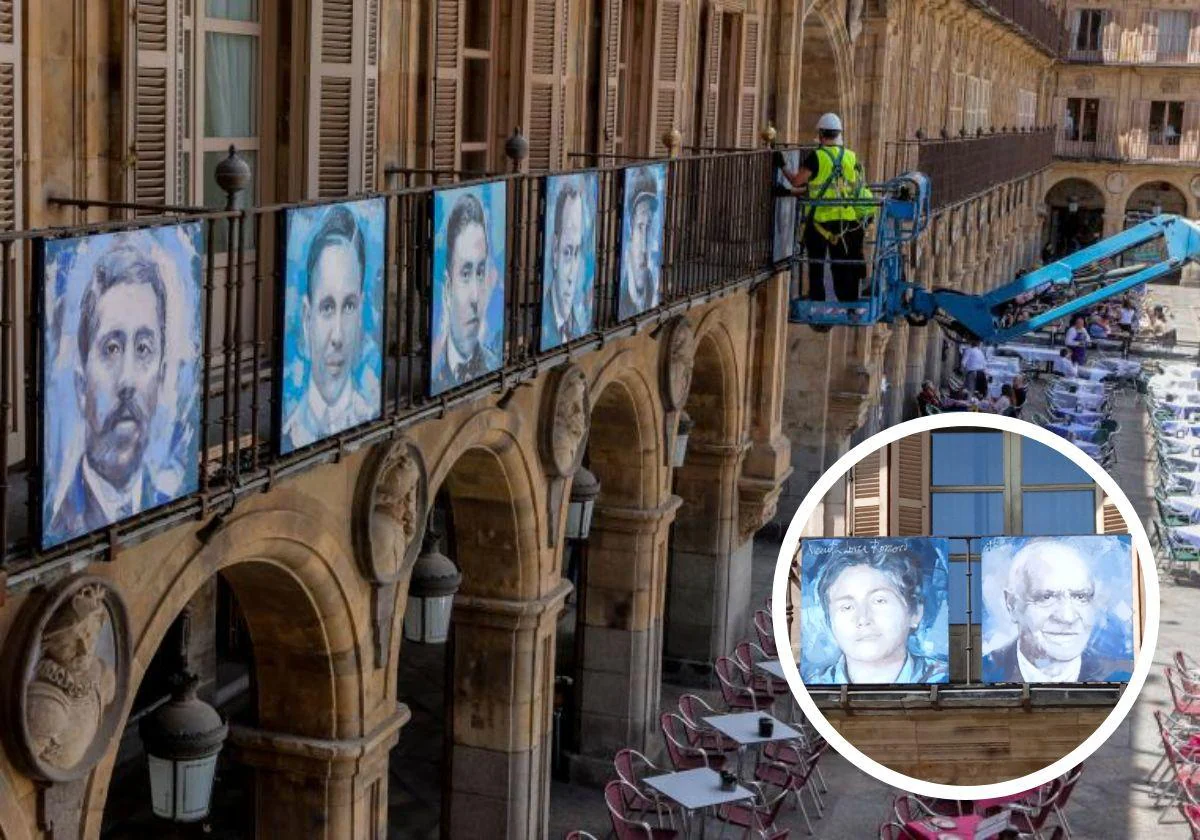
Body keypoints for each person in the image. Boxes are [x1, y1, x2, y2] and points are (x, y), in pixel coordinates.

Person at [49, 246, 174, 542]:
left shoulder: (163, 497)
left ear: (161, 376)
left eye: (143, 348)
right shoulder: (61, 526)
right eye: (112, 349)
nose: (127, 380)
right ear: (81, 385)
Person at [283, 206, 375, 451]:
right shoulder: (289, 430)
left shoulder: (368, 410)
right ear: (306, 318)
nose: (338, 336)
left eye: (348, 306)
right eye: (326, 307)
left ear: (360, 312)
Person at [982, 539, 1131, 684]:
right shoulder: (988, 669)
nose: (1067, 617)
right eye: (1046, 597)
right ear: (1012, 605)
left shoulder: (1122, 675)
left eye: (1080, 596)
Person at [806, 546, 947, 684]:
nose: (863, 619)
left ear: (915, 612)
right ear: (829, 620)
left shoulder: (940, 678)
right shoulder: (812, 685)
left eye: (879, 600)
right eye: (847, 607)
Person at [779, 113, 873, 304]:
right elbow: (849, 187)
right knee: (842, 264)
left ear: (821, 134)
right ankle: (848, 299)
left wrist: (782, 166)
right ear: (839, 134)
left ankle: (817, 300)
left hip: (819, 222)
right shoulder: (850, 157)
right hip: (845, 220)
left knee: (816, 264)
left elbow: (797, 181)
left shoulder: (817, 157)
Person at [431, 193, 502, 394]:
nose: (475, 297)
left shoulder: (494, 361)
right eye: (465, 273)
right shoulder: (434, 375)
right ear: (447, 289)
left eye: (480, 273)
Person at [541, 181, 591, 349]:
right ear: (555, 251)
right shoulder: (542, 324)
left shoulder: (577, 327)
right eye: (567, 252)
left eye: (577, 252)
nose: (571, 276)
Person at [618, 170, 661, 320]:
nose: (644, 248)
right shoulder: (621, 297)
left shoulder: (652, 291)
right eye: (640, 227)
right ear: (630, 230)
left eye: (648, 227)